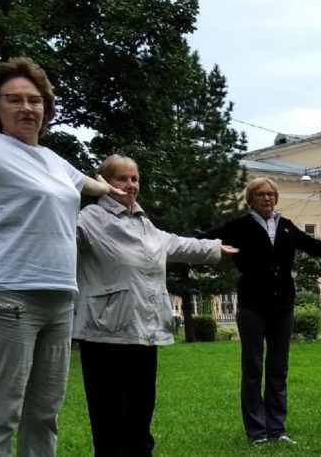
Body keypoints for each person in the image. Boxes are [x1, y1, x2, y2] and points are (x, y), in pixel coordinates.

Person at [0, 56, 125, 456]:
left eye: (35, 100)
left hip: (59, 298)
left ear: (46, 108)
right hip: (5, 295)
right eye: (13, 99)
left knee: (44, 414)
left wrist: (108, 188)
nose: (27, 108)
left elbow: (83, 185)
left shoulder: (53, 161)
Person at [73, 154, 239, 456]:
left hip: (144, 328)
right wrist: (7, 221)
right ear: (104, 182)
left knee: (140, 410)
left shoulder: (145, 224)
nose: (130, 185)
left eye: (134, 178)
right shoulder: (88, 219)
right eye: (121, 178)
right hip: (104, 330)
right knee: (109, 415)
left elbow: (177, 243)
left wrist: (214, 247)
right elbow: (53, 230)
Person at [202, 177, 321, 446]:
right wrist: (194, 246)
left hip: (283, 306)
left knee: (278, 368)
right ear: (251, 199)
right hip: (252, 306)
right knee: (253, 368)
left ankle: (277, 429)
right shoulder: (240, 227)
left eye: (271, 194)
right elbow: (207, 238)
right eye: (261, 194)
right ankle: (257, 432)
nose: (267, 198)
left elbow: (312, 245)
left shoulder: (286, 227)